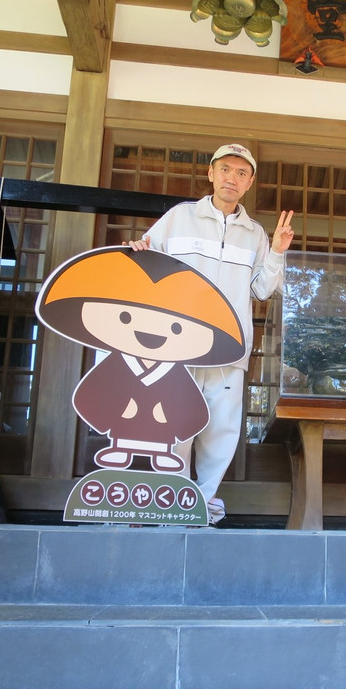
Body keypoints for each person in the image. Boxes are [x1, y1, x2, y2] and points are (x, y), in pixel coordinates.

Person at [127, 143, 294, 525]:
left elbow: (263, 290)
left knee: (221, 428)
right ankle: (172, 500)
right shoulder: (179, 217)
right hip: (178, 342)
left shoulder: (254, 234)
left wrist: (278, 251)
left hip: (230, 347)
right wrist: (137, 249)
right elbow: (148, 260)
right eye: (225, 170)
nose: (231, 178)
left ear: (249, 182)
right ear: (211, 174)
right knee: (176, 422)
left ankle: (203, 504)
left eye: (240, 173)